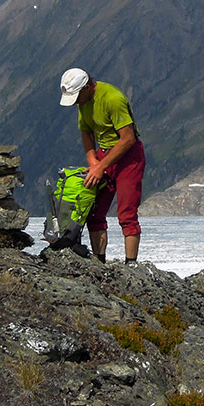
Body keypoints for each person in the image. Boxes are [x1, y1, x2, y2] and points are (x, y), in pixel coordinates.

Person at [59, 68, 145, 264]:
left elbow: (128, 139)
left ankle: (130, 264)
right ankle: (99, 261)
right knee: (94, 210)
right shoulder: (84, 101)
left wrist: (100, 166)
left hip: (128, 157)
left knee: (127, 212)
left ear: (88, 87)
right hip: (103, 156)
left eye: (77, 97)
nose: (76, 103)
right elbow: (86, 132)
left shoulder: (112, 99)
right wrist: (93, 161)